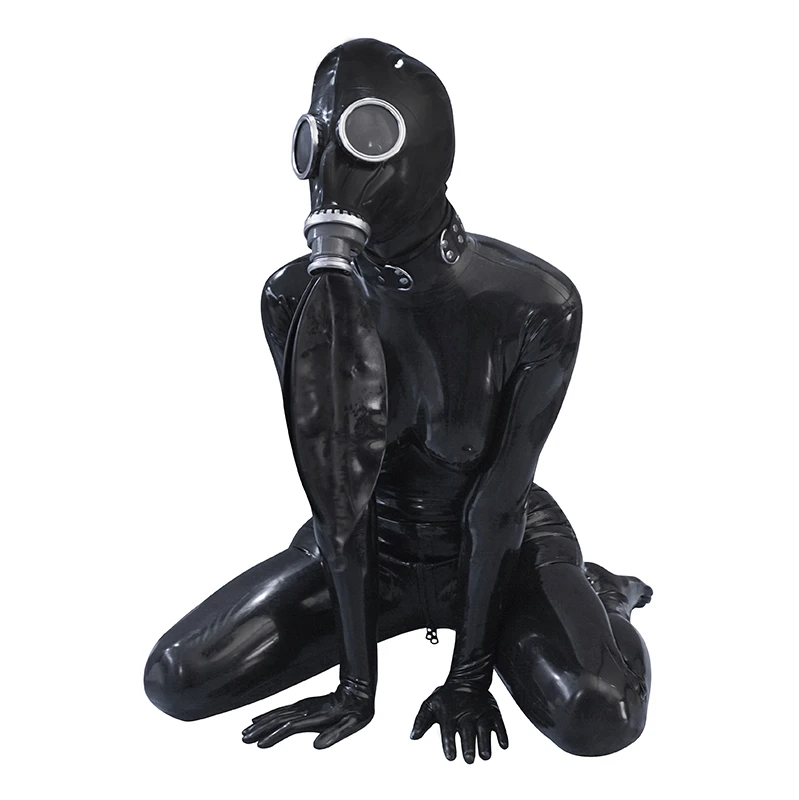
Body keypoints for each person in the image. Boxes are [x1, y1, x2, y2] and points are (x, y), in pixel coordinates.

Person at [143, 38, 652, 762]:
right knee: (175, 678)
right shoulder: (292, 297)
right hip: (368, 547)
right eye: (316, 141)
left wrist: (469, 678)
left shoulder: (533, 304)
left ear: (428, 153)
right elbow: (337, 492)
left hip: (506, 548)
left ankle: (597, 594)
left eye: (367, 136)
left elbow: (498, 502)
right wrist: (357, 687)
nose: (331, 172)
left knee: (601, 715)